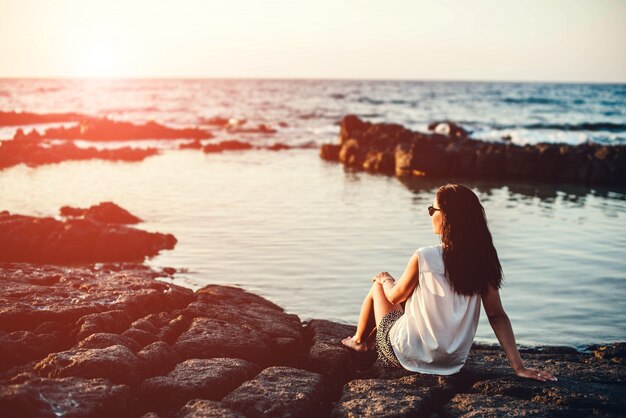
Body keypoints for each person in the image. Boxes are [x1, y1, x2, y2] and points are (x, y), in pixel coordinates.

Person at [341, 183, 557, 382]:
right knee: (413, 297)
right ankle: (363, 341)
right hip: (452, 363)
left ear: (445, 216)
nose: (430, 215)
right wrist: (518, 367)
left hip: (406, 355)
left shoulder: (424, 256)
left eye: (432, 210)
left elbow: (395, 296)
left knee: (379, 287)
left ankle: (359, 343)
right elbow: (497, 316)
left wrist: (386, 279)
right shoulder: (484, 261)